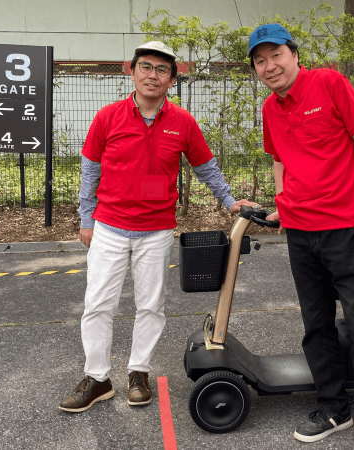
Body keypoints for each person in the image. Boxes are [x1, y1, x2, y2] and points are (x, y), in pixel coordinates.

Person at [59, 41, 253, 413]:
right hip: (110, 227)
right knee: (98, 305)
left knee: (151, 306)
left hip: (157, 229)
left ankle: (138, 373)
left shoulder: (182, 122)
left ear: (171, 80)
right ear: (131, 72)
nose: (152, 75)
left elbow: (205, 165)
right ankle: (98, 378)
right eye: (145, 67)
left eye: (161, 70)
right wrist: (86, 219)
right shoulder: (108, 116)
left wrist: (230, 200)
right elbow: (90, 168)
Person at [248, 24, 354, 450]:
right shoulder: (270, 109)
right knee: (316, 325)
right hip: (301, 233)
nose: (269, 66)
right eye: (260, 61)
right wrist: (283, 203)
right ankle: (334, 408)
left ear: (294, 54)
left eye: (275, 55)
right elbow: (279, 159)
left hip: (346, 229)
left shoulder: (330, 83)